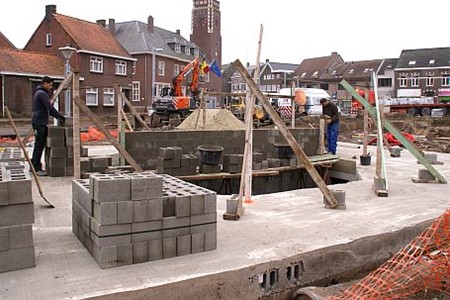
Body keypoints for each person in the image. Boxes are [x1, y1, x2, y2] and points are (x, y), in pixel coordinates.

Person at [31, 76, 65, 176]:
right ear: (45, 83)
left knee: (40, 145)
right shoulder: (41, 94)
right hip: (39, 123)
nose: (50, 87)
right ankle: (36, 169)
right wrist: (59, 117)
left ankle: (34, 166)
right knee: (39, 145)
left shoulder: (40, 92)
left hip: (40, 122)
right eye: (49, 85)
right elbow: (50, 107)